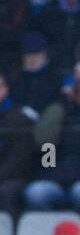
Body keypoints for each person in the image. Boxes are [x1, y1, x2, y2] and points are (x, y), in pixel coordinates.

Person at [25, 61, 80, 217]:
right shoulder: (59, 111)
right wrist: (60, 105)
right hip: (54, 177)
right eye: (79, 89)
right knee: (35, 193)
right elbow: (44, 142)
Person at [0, 73, 37, 219]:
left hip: (15, 177)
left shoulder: (19, 117)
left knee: (6, 191)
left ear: (5, 89)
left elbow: (19, 159)